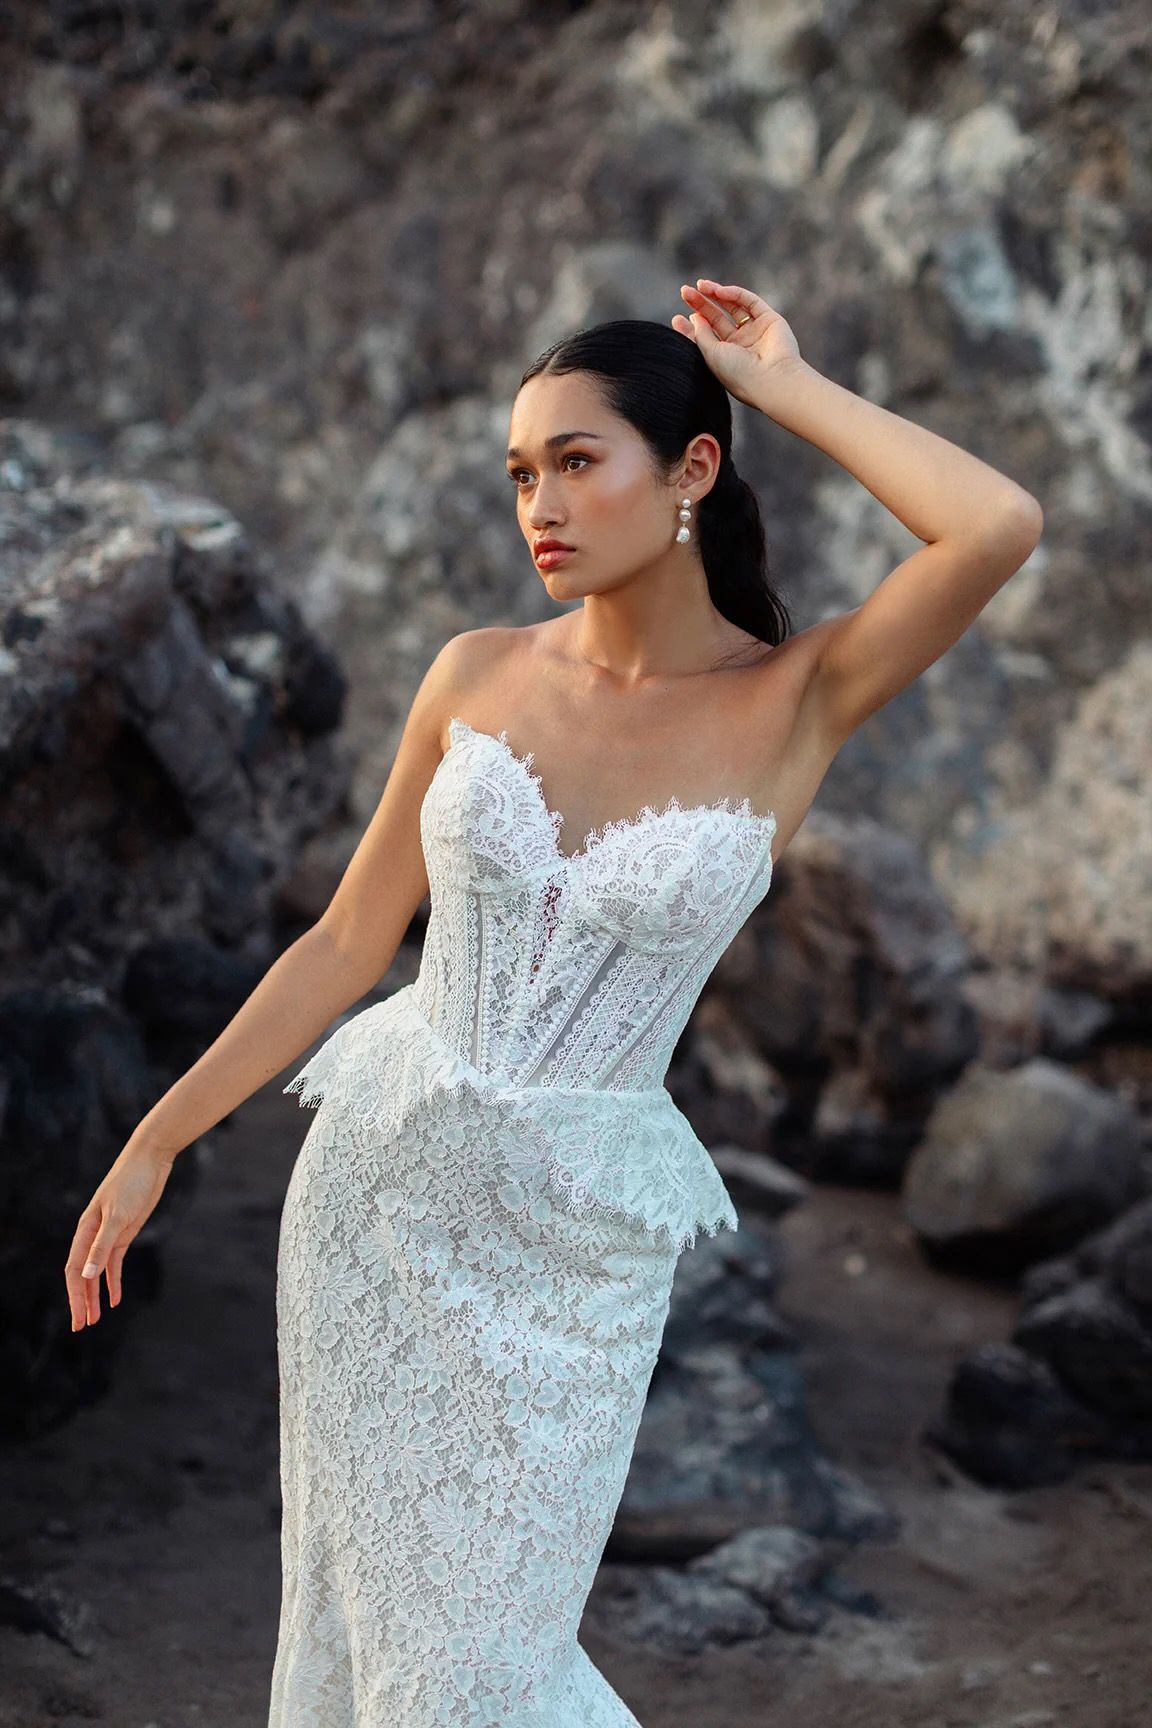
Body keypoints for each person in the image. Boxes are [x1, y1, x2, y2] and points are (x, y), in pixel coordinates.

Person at [64, 279, 1043, 1725]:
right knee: (368, 1638)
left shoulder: (798, 697)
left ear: (692, 471)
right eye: (524, 472)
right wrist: (160, 1138)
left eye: (580, 462)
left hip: (576, 1255)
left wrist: (781, 386)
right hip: (377, 1205)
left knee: (480, 1668)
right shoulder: (476, 673)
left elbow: (996, 527)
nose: (543, 504)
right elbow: (344, 944)